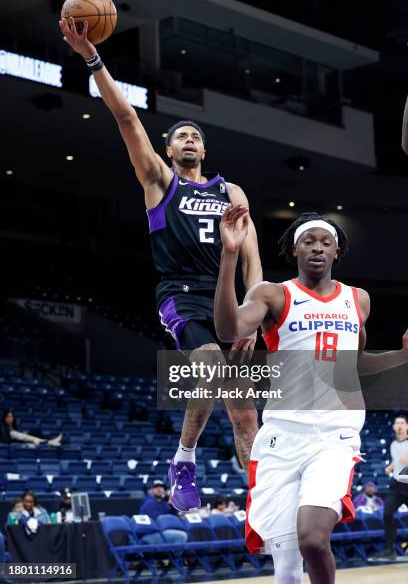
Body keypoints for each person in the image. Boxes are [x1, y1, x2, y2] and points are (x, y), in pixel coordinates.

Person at [59, 18, 262, 511]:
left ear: (204, 149)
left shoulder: (230, 192)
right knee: (209, 370)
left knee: (245, 413)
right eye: (181, 136)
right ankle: (184, 459)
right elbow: (127, 118)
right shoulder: (158, 181)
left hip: (229, 301)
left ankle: (264, 500)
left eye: (196, 135)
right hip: (181, 294)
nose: (190, 139)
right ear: (168, 150)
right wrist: (92, 58)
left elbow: (253, 257)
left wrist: (254, 311)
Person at [213, 209, 408, 584]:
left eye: (326, 242)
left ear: (337, 251)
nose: (317, 248)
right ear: (295, 250)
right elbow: (227, 328)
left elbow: (353, 363)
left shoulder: (357, 300)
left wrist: (401, 356)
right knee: (285, 565)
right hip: (282, 436)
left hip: (334, 435)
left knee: (313, 540)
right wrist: (230, 255)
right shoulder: (273, 294)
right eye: (309, 241)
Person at [368, 413, 408, 561]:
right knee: (387, 515)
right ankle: (390, 550)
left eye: (402, 423)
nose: (399, 425)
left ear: (407, 426)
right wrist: (391, 466)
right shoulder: (392, 444)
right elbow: (397, 460)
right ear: (393, 427)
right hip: (397, 486)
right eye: (397, 423)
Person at [139, 480, 187, 544]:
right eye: (156, 487)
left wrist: (171, 504)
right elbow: (158, 522)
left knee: (186, 531)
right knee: (181, 536)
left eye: (161, 487)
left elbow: (175, 517)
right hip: (150, 533)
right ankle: (173, 554)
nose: (159, 489)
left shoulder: (164, 503)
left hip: (163, 531)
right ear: (151, 490)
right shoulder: (149, 503)